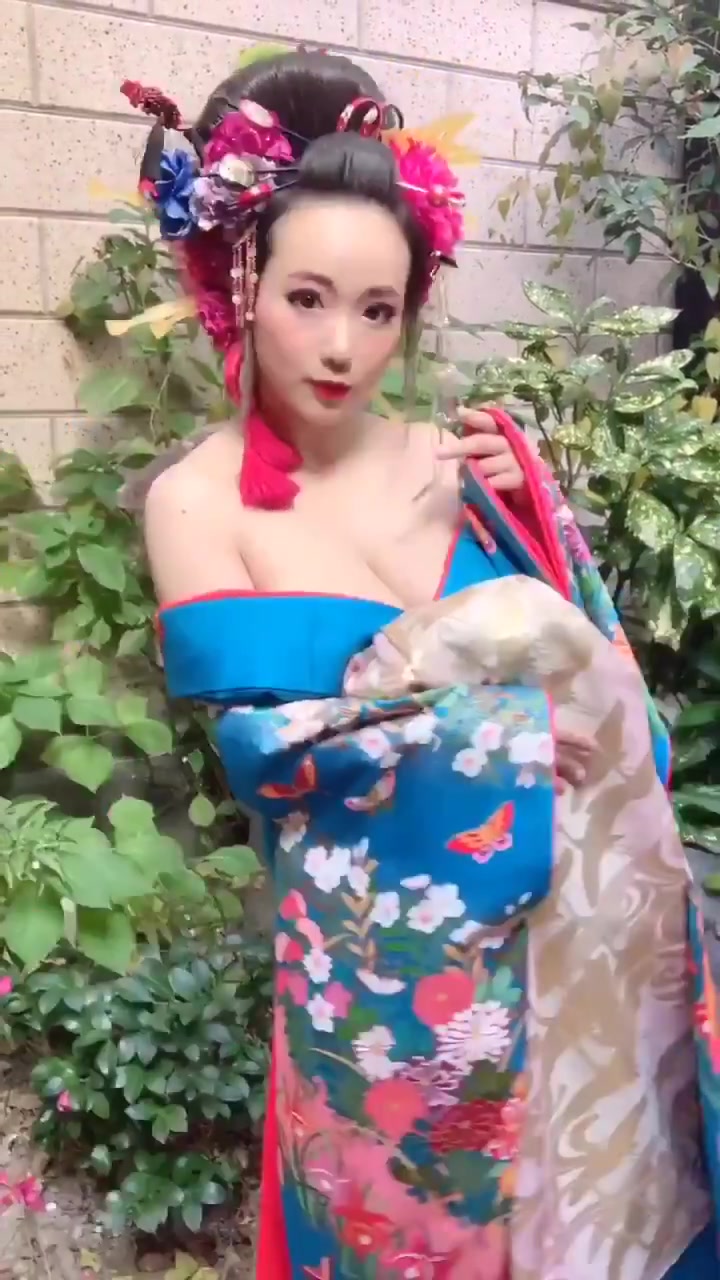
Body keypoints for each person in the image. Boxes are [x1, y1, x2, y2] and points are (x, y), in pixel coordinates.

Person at [120, 47, 720, 1280]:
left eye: (379, 309)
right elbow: (267, 759)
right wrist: (502, 736)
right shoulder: (194, 501)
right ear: (243, 280)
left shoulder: (456, 461)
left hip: (564, 950)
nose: (342, 345)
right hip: (385, 985)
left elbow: (602, 693)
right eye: (308, 298)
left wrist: (537, 524)